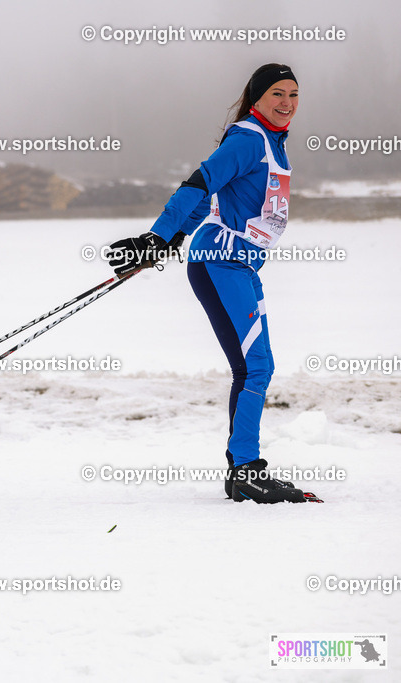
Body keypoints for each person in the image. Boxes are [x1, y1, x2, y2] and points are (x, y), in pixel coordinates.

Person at [107, 63, 307, 504]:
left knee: (252, 368)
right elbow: (199, 182)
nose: (287, 102)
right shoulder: (249, 140)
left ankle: (242, 471)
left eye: (293, 94)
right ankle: (247, 470)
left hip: (235, 264)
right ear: (257, 98)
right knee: (258, 366)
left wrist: (173, 239)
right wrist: (158, 236)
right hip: (223, 262)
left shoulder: (270, 142)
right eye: (277, 93)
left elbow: (212, 195)